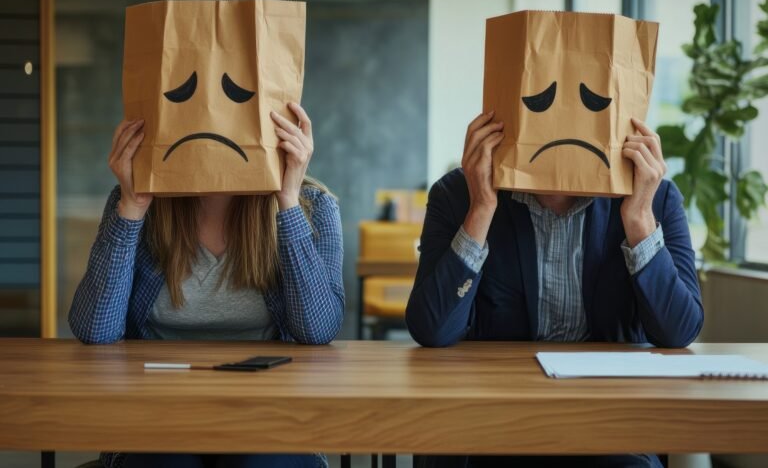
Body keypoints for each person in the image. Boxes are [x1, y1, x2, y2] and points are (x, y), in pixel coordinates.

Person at [406, 111, 703, 468]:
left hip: (607, 422)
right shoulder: (458, 195)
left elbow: (679, 330)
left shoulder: (655, 198)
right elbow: (431, 328)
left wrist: (639, 218)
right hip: (489, 416)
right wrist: (481, 208)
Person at [69, 102, 343, 468]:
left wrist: (287, 200)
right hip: (156, 412)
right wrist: (132, 208)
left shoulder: (312, 205)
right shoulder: (137, 201)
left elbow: (317, 329)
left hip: (270, 411)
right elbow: (95, 330)